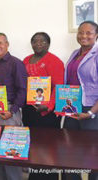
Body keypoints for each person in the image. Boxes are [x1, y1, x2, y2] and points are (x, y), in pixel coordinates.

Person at [0, 33, 27, 180]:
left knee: (9, 150)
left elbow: (23, 90)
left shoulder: (16, 63)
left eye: (0, 43)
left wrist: (12, 111)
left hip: (9, 113)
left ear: (7, 44)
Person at [22, 32, 64, 180]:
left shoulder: (54, 61)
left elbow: (59, 87)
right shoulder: (26, 60)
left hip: (47, 113)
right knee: (33, 146)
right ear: (31, 43)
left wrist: (49, 106)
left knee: (48, 148)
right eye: (35, 41)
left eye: (43, 41)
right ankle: (34, 176)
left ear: (48, 43)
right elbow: (23, 83)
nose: (38, 43)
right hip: (29, 111)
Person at [63, 21, 98, 180]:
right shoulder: (74, 53)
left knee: (93, 154)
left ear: (96, 35)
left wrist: (91, 112)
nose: (84, 35)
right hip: (72, 108)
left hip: (91, 109)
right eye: (81, 32)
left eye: (89, 33)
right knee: (70, 151)